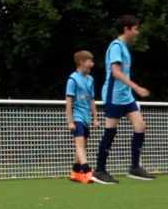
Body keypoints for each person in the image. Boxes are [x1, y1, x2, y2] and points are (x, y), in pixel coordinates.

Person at [91, 14, 155, 184]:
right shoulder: (116, 47)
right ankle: (99, 170)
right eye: (135, 29)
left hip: (126, 96)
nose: (137, 32)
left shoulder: (125, 48)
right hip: (114, 95)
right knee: (111, 130)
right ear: (127, 29)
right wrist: (136, 87)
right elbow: (115, 72)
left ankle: (135, 167)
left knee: (140, 126)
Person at [65, 50, 100, 183]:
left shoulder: (90, 79)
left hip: (86, 118)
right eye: (90, 61)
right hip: (77, 117)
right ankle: (87, 171)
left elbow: (92, 100)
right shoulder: (72, 79)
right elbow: (68, 102)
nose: (92, 64)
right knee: (79, 145)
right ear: (81, 62)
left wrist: (95, 118)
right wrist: (70, 121)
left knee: (83, 145)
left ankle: (75, 172)